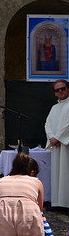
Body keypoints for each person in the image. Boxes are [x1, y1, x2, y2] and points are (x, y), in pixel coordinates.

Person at [45, 79, 69, 208]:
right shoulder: (54, 108)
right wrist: (51, 138)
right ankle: (58, 203)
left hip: (66, 145)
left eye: (63, 88)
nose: (60, 91)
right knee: (57, 173)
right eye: (57, 90)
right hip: (56, 145)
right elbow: (47, 124)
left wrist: (58, 138)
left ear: (68, 89)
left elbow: (68, 126)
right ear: (54, 93)